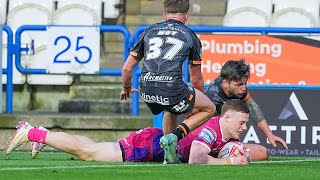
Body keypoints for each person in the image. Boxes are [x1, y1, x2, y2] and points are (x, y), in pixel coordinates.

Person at [4, 99, 253, 165]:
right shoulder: (212, 128)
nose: (243, 128)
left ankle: (44, 133)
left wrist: (237, 154)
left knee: (94, 147)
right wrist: (230, 162)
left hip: (152, 142)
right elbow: (197, 158)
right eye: (241, 123)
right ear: (226, 117)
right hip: (148, 147)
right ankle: (32, 133)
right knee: (87, 153)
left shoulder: (224, 133)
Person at [120, 0, 216, 163]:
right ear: (186, 16)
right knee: (209, 108)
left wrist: (126, 87)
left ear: (165, 15)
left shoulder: (148, 31)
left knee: (170, 109)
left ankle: (168, 156)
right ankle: (173, 137)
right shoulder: (191, 36)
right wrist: (198, 99)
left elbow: (127, 69)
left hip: (147, 89)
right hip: (172, 88)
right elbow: (195, 78)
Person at [204, 59, 288, 160]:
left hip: (225, 141)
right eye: (239, 85)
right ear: (226, 83)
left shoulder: (235, 85)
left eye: (245, 83)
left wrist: (269, 134)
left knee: (263, 153)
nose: (243, 88)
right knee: (240, 154)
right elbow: (206, 130)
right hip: (209, 142)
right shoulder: (212, 98)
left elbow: (252, 108)